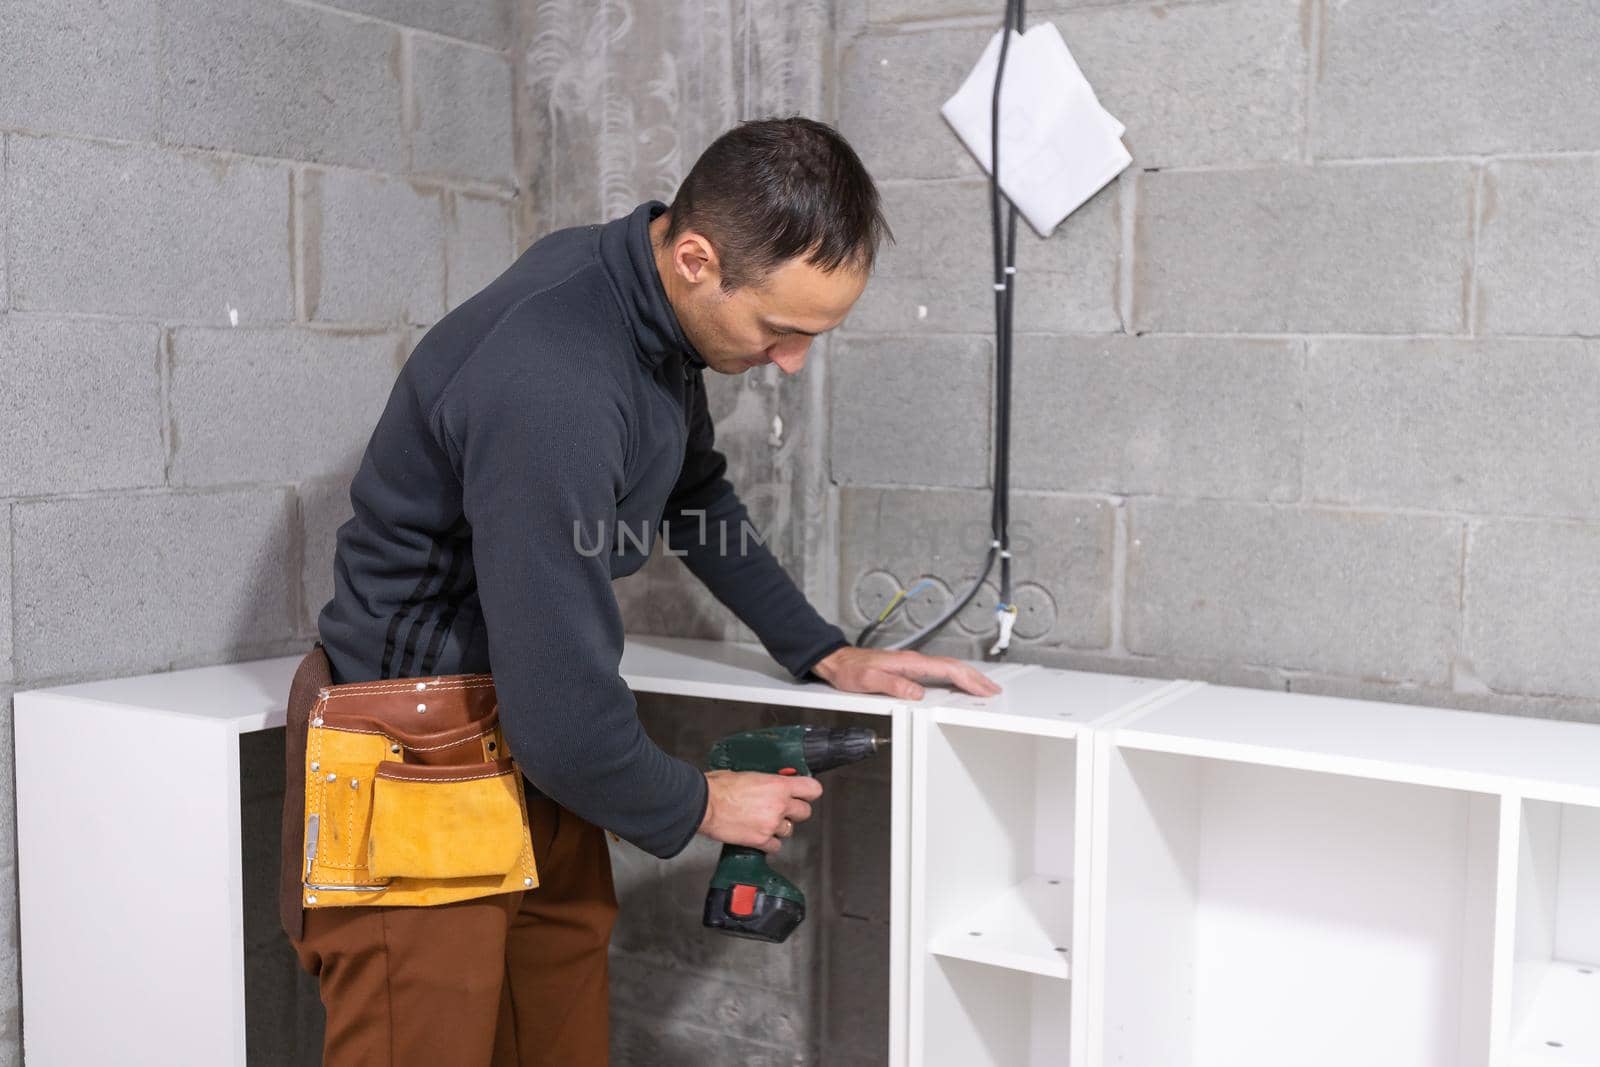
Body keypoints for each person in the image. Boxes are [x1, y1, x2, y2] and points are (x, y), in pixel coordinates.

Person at [281, 115, 1000, 1066]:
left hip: (528, 733)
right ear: (698, 257)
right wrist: (702, 800)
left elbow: (691, 492)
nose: (791, 363)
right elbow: (565, 716)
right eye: (782, 330)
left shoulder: (645, 309)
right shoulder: (556, 378)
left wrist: (820, 647)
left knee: (558, 1036)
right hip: (415, 743)